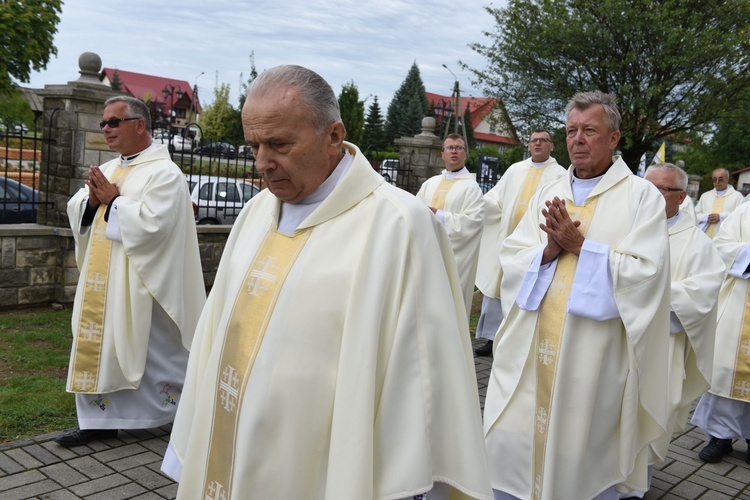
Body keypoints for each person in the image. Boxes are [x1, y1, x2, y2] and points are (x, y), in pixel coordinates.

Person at [161, 65, 492, 500]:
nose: (262, 162)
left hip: (324, 466)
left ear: (333, 135)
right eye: (253, 145)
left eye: (278, 144)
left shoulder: (398, 225)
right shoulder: (256, 211)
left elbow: (423, 376)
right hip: (235, 440)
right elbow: (217, 330)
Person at [483, 91, 671, 499]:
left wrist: (581, 247)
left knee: (580, 454)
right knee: (515, 442)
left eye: (590, 130)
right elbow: (514, 256)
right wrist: (548, 250)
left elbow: (647, 274)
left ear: (614, 138)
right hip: (532, 348)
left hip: (594, 355)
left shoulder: (641, 198)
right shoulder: (548, 192)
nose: (578, 139)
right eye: (571, 131)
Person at [56, 96, 206, 447]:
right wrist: (92, 202)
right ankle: (96, 423)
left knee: (146, 350)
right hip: (100, 283)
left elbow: (156, 226)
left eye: (113, 122)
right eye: (103, 124)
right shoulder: (108, 169)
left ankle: (169, 414)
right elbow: (77, 208)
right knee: (96, 346)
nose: (105, 129)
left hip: (141, 285)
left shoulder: (165, 174)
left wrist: (113, 201)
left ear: (139, 125)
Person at [629, 163, 724, 496]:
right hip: (615, 337)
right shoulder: (625, 227)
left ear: (681, 197)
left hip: (661, 346)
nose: (650, 195)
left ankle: (636, 485)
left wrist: (651, 294)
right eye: (646, 187)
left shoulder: (696, 243)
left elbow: (704, 290)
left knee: (648, 413)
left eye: (661, 190)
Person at [473, 129, 565, 357]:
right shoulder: (515, 170)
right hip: (509, 239)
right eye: (534, 141)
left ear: (551, 146)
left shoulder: (560, 174)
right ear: (529, 145)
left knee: (527, 288)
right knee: (498, 288)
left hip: (536, 243)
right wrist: (481, 204)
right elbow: (496, 197)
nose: (538, 144)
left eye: (543, 140)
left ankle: (522, 341)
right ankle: (493, 339)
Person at [691, 200, 750, 464]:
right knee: (725, 369)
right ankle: (720, 437)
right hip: (739, 300)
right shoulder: (744, 212)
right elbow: (721, 248)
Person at [416, 133, 484, 318]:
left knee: (447, 309)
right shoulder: (430, 184)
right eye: (449, 148)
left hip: (453, 259)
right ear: (442, 154)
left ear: (465, 154)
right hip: (424, 254)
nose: (454, 151)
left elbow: (473, 223)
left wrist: (439, 215)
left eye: (458, 148)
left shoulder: (472, 188)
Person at [695, 168, 743, 237]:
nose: (717, 182)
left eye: (720, 179)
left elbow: (740, 217)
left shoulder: (737, 196)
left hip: (726, 238)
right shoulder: (705, 196)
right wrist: (706, 217)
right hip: (704, 237)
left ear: (727, 179)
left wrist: (721, 217)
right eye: (714, 179)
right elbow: (695, 215)